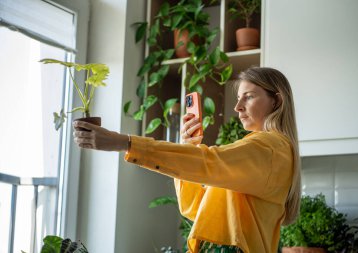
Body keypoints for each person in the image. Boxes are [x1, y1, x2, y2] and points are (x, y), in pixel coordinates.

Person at [73, 66, 301, 253]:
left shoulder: (271, 148)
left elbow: (210, 162)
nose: (237, 107)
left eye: (248, 97)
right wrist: (189, 147)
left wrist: (126, 142)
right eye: (238, 97)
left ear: (276, 101)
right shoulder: (256, 150)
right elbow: (194, 208)